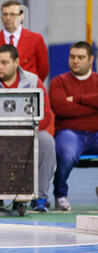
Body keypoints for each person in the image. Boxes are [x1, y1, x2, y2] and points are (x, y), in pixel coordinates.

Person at [0, 44, 56, 212]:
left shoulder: (33, 81)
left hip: (27, 134)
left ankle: (40, 197)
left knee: (47, 142)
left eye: (4, 62)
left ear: (16, 62)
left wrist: (26, 132)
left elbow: (46, 114)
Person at [49, 41, 98, 211]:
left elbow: (70, 106)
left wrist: (77, 99)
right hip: (70, 133)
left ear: (91, 59)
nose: (75, 61)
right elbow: (61, 108)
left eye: (80, 57)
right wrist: (93, 107)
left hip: (96, 133)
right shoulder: (58, 82)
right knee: (67, 153)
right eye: (72, 57)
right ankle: (60, 195)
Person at [0, 1, 49, 82]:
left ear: (21, 17)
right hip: (0, 91)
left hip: (28, 90)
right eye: (5, 14)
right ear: (1, 17)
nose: (8, 18)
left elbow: (44, 69)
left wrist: (32, 84)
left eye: (12, 14)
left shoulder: (36, 39)